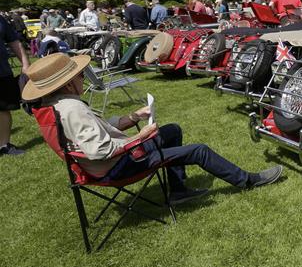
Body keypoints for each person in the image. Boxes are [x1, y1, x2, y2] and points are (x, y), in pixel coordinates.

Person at [21, 54, 285, 200]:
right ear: (67, 83)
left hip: (100, 165)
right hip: (115, 167)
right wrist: (140, 137)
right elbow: (99, 150)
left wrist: (134, 116)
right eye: (78, 75)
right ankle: (247, 180)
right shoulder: (73, 108)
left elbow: (97, 130)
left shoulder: (56, 106)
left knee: (172, 130)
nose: (82, 78)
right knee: (198, 150)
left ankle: (179, 190)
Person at [1, 12, 30, 156]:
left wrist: (25, 64)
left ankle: (4, 145)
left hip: (2, 71)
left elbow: (14, 42)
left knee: (3, 109)